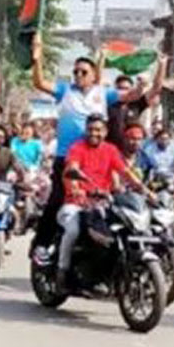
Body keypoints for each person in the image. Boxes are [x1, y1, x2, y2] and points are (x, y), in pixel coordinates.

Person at [29, 32, 145, 256]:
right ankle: (41, 245)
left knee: (105, 204)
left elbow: (131, 95)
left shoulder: (104, 93)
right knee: (56, 201)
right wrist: (37, 57)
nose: (78, 75)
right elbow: (39, 82)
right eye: (75, 72)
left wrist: (141, 85)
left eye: (84, 72)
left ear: (94, 76)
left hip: (95, 157)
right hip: (67, 158)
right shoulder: (65, 91)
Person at [56, 114, 151, 291]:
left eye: (98, 130)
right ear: (86, 130)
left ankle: (110, 273)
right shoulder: (77, 148)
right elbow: (72, 169)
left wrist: (145, 190)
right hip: (76, 203)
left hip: (104, 203)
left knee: (121, 230)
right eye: (91, 129)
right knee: (74, 230)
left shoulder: (111, 150)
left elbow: (125, 173)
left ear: (105, 132)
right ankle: (63, 270)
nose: (94, 133)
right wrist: (76, 188)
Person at [106, 52, 167, 151]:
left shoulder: (136, 104)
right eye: (120, 88)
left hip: (130, 151)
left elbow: (156, 89)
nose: (123, 91)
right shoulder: (108, 104)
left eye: (126, 88)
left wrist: (162, 65)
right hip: (110, 151)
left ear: (131, 90)